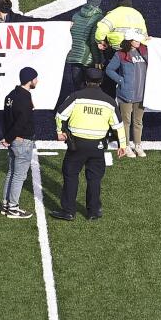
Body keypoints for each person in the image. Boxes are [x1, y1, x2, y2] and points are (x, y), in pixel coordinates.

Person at [50, 68, 127, 221]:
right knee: (94, 179)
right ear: (101, 82)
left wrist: (59, 131)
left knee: (71, 176)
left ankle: (69, 211)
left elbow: (60, 114)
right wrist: (122, 145)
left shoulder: (76, 97)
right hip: (97, 146)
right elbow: (119, 125)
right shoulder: (109, 101)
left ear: (85, 81)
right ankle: (93, 211)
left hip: (76, 144)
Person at [0, 67, 37, 219]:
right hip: (21, 141)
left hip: (13, 139)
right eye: (35, 78)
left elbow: (6, 118)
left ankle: (6, 205)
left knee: (11, 172)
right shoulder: (24, 98)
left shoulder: (11, 95)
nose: (37, 81)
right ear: (30, 80)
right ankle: (13, 208)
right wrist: (9, 138)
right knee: (19, 175)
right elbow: (21, 122)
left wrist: (7, 137)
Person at [105, 29, 149, 158]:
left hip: (142, 93)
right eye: (135, 40)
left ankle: (138, 145)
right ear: (129, 41)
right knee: (126, 121)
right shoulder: (120, 54)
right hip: (126, 94)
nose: (138, 42)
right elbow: (109, 69)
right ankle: (126, 146)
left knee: (138, 121)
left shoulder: (145, 51)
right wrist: (121, 81)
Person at [94, 0, 148, 66]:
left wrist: (100, 41)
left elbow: (101, 29)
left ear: (119, 0)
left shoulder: (113, 14)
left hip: (116, 51)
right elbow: (144, 37)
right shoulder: (138, 15)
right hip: (134, 53)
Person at [65, 0, 103, 97]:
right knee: (89, 91)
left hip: (74, 57)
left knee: (77, 89)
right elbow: (93, 41)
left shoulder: (75, 16)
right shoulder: (98, 17)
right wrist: (97, 60)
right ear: (98, 2)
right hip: (88, 59)